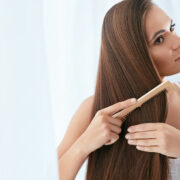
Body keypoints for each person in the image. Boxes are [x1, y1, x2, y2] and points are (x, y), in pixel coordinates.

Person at [58, 0, 180, 179]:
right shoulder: (95, 109)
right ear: (131, 56)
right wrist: (84, 144)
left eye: (172, 28)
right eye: (159, 40)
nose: (177, 42)